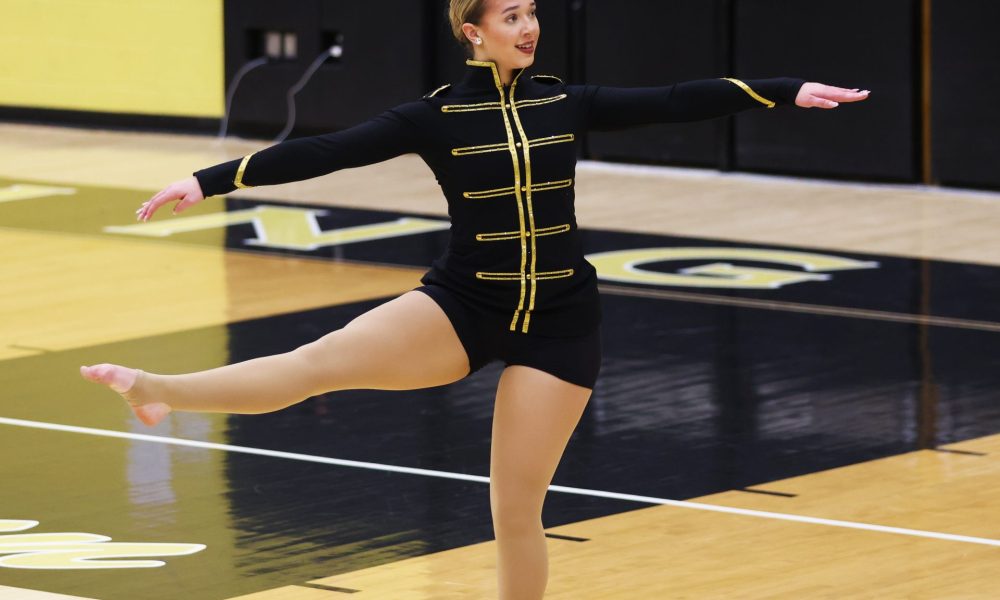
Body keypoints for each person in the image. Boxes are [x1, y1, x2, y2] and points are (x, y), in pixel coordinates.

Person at [81, 0, 869, 597]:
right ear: (472, 29)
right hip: (463, 307)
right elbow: (325, 152)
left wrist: (784, 89)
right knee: (313, 364)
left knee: (515, 509)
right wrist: (207, 180)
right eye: (512, 15)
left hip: (561, 324)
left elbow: (674, 97)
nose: (530, 26)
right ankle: (155, 392)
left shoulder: (566, 101)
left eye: (533, 12)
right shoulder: (435, 115)